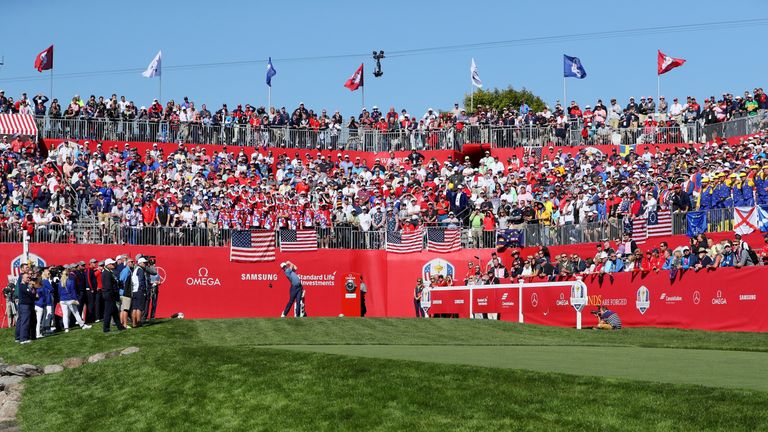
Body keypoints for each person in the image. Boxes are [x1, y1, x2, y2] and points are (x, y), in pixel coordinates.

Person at [59, 267, 91, 332]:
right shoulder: (71, 281)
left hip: (62, 300)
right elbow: (73, 291)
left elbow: (59, 292)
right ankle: (82, 325)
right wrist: (75, 299)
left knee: (65, 314)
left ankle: (66, 328)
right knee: (76, 313)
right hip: (70, 299)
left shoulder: (60, 282)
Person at [101, 258, 125, 333]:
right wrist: (113, 294)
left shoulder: (109, 272)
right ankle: (106, 329)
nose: (114, 264)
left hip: (110, 294)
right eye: (112, 264)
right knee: (108, 312)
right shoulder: (106, 273)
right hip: (109, 295)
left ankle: (120, 327)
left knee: (114, 312)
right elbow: (108, 286)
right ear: (108, 265)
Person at [16, 272, 36, 344]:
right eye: (27, 277)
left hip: (24, 305)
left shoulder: (25, 285)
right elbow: (31, 294)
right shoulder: (23, 286)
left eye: (29, 277)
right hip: (25, 306)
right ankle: (23, 339)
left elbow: (33, 293)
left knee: (21, 321)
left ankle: (19, 337)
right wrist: (31, 289)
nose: (29, 278)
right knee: (25, 322)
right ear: (22, 278)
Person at [35, 269, 55, 338]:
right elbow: (52, 289)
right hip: (48, 300)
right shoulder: (45, 281)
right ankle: (46, 328)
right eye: (48, 273)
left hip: (46, 300)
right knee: (48, 314)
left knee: (46, 314)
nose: (49, 274)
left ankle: (45, 328)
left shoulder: (44, 281)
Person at [131, 257, 149, 327]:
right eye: (144, 263)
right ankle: (138, 322)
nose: (145, 264)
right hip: (139, 290)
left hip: (135, 290)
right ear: (140, 263)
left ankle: (134, 323)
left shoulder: (136, 269)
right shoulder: (140, 270)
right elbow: (141, 281)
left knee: (135, 308)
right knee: (139, 308)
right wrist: (143, 290)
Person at [119, 256, 134, 328]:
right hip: (125, 293)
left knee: (122, 309)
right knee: (125, 309)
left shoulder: (128, 270)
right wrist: (125, 288)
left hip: (123, 292)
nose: (133, 263)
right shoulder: (126, 270)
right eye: (131, 262)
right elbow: (121, 280)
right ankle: (124, 324)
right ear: (128, 263)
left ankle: (122, 323)